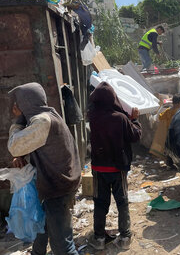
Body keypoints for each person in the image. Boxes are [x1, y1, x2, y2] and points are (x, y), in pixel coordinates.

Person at [7, 82, 81, 255]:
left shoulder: (42, 121)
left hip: (57, 189)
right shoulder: (47, 115)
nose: (16, 107)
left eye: (19, 103)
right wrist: (21, 156)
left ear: (27, 102)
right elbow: (34, 144)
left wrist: (18, 120)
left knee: (63, 246)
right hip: (56, 186)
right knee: (42, 228)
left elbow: (14, 146)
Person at [87, 82, 142, 251]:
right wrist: (135, 120)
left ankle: (99, 238)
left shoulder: (92, 116)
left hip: (98, 168)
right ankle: (125, 237)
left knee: (100, 203)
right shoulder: (120, 118)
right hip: (117, 168)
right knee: (122, 202)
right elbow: (135, 136)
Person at [149, 94, 180, 159]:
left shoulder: (167, 111)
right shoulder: (179, 112)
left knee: (168, 149)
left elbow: (159, 117)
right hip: (175, 134)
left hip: (167, 134)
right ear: (179, 103)